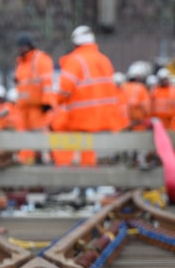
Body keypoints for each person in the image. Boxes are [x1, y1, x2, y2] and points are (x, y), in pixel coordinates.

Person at [51, 25, 126, 166]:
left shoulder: (75, 61)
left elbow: (64, 89)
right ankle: (96, 184)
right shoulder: (104, 60)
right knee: (99, 157)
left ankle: (86, 183)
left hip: (82, 118)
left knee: (83, 156)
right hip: (106, 118)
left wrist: (51, 103)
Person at [13, 33, 56, 165]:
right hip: (24, 109)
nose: (22, 49)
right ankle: (31, 163)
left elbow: (47, 83)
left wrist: (47, 103)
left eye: (24, 47)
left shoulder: (40, 59)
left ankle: (46, 160)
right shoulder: (21, 64)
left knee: (40, 137)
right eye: (20, 47)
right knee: (26, 140)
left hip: (37, 108)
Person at [123, 61, 153, 130]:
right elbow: (146, 107)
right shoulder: (141, 88)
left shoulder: (123, 87)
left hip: (125, 122)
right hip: (138, 123)